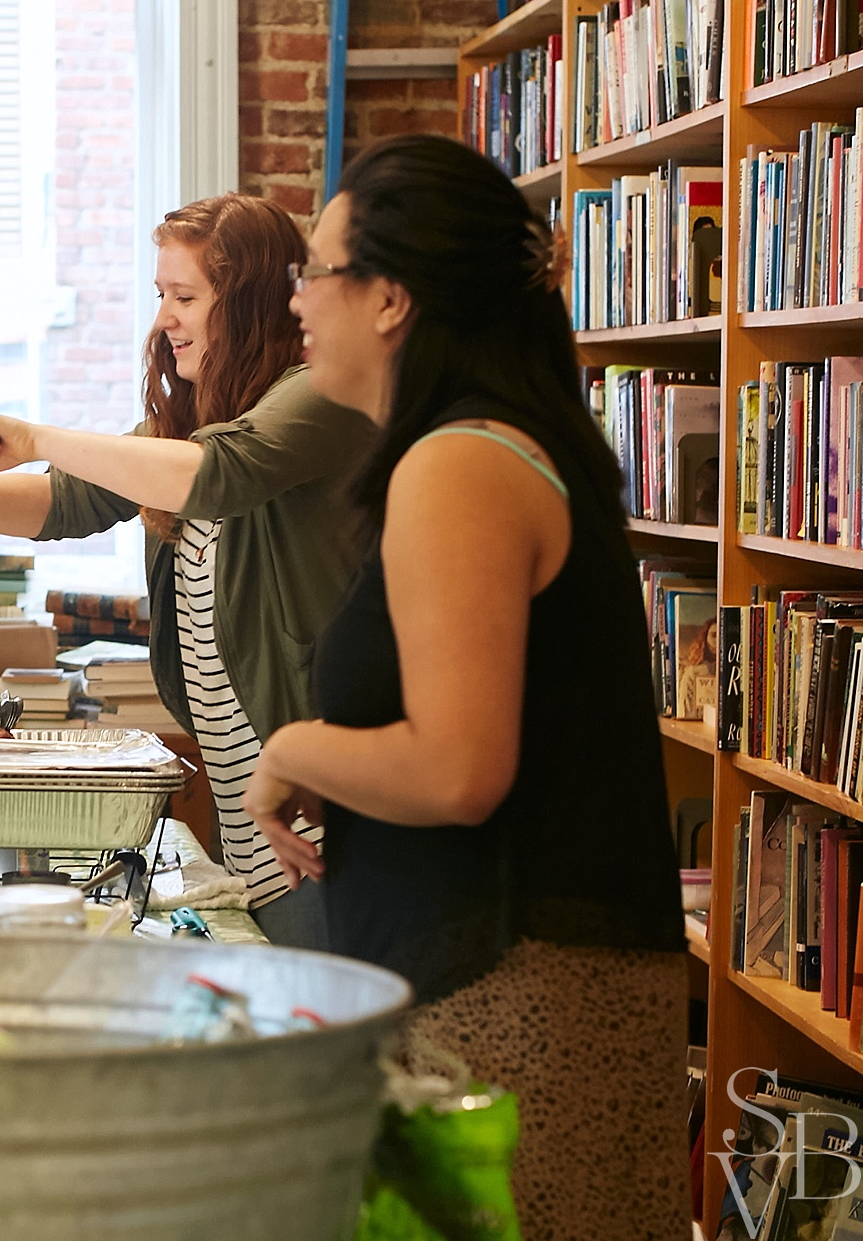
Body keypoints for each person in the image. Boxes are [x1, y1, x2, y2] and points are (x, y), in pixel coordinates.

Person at [245, 133, 687, 1234]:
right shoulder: (494, 442)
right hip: (505, 983)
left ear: (391, 298)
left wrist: (295, 749)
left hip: (516, 1000)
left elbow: (458, 767)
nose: (299, 301)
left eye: (318, 271)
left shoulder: (462, 460)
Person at [0, 194, 374, 949]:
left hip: (326, 837)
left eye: (187, 297)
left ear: (254, 304)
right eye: (160, 295)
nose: (164, 319)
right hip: (247, 840)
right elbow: (64, 501)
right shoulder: (182, 425)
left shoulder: (311, 397)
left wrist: (37, 433)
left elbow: (218, 475)